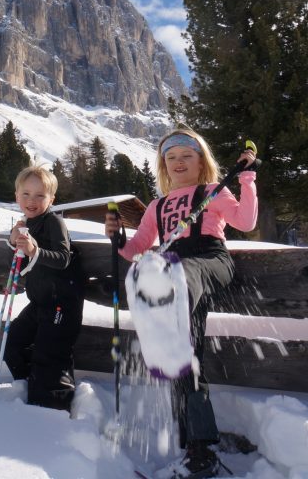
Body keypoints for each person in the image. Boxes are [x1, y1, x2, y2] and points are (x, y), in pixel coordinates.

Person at [105, 128, 257, 479]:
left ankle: (167, 316)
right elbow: (138, 248)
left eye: (186, 156)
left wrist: (247, 177)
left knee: (178, 273)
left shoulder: (212, 192)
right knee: (186, 363)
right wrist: (118, 239)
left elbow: (245, 222)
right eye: (171, 157)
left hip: (208, 261)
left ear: (201, 161)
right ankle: (197, 448)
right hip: (175, 271)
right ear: (163, 165)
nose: (178, 162)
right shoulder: (157, 206)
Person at [3, 165, 84, 412]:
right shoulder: (28, 223)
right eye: (26, 194)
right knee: (13, 342)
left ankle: (51, 406)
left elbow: (62, 258)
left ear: (51, 199)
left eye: (40, 195)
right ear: (17, 196)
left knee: (50, 354)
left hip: (61, 303)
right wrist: (13, 239)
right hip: (40, 302)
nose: (32, 201)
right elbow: (22, 258)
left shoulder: (53, 222)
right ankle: (32, 383)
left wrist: (33, 250)